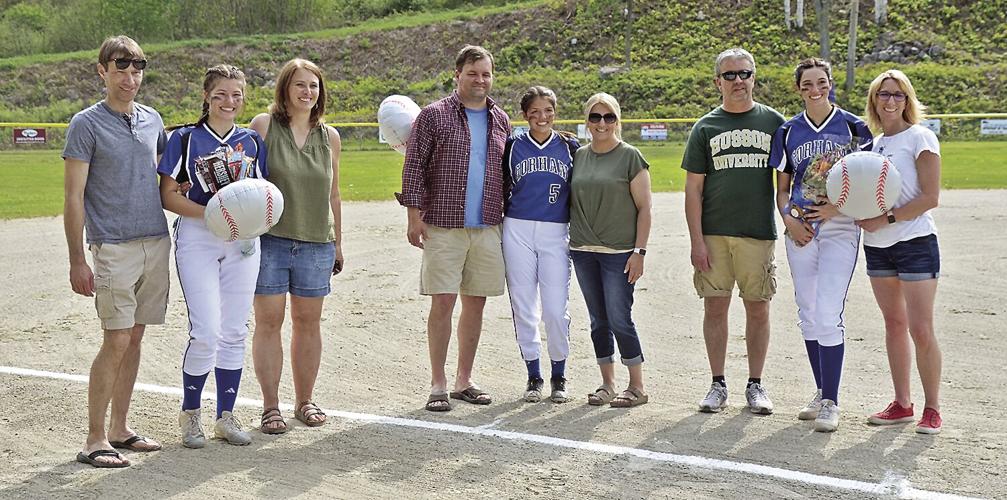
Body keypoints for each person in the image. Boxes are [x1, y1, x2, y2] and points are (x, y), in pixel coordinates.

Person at [63, 35, 169, 468]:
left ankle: (119, 429)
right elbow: (73, 197)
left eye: (137, 69)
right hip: (112, 246)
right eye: (121, 68)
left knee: (136, 336)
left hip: (156, 241)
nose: (130, 77)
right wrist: (76, 259)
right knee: (117, 338)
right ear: (102, 71)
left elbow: (166, 181)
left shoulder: (152, 119)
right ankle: (93, 439)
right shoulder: (85, 124)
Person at [395, 45, 511, 412]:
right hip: (443, 224)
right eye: (473, 73)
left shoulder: (501, 119)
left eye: (486, 74)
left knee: (475, 305)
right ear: (457, 74)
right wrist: (413, 216)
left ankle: (464, 379)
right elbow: (413, 167)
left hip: (487, 224)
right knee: (443, 302)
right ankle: (438, 382)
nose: (480, 80)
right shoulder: (433, 116)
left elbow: (505, 174)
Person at [158, 65, 269, 447]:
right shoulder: (186, 138)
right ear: (207, 96)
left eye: (236, 94)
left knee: (235, 330)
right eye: (221, 93)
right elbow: (168, 195)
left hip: (242, 239)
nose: (229, 101)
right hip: (199, 235)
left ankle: (226, 416)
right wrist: (213, 214)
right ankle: (191, 415)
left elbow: (262, 192)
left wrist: (247, 219)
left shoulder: (252, 140)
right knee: (206, 330)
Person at [769, 58, 873, 432]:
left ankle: (832, 401)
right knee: (808, 312)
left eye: (822, 82)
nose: (816, 89)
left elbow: (868, 180)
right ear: (798, 89)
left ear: (831, 84)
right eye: (807, 84)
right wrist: (788, 219)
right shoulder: (787, 131)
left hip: (840, 226)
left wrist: (837, 208)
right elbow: (782, 189)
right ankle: (821, 389)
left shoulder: (854, 127)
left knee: (829, 312)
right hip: (800, 227)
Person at [682, 48, 785, 415]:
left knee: (758, 308)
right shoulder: (706, 127)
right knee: (715, 307)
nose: (738, 81)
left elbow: (787, 183)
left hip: (757, 232)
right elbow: (693, 189)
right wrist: (696, 240)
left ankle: (755, 384)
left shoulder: (774, 123)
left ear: (754, 77)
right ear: (717, 82)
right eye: (729, 75)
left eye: (744, 73)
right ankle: (718, 383)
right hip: (714, 233)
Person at [250, 58, 343, 434]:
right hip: (270, 241)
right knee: (268, 323)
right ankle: (270, 406)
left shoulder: (330, 136)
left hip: (316, 241)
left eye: (314, 86)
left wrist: (338, 244)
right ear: (285, 89)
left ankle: (304, 400)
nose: (308, 92)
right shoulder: (264, 126)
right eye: (300, 85)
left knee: (308, 323)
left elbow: (333, 194)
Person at [858, 69, 944, 434]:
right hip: (878, 247)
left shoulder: (920, 137)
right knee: (894, 325)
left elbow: (930, 197)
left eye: (898, 95)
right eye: (884, 94)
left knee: (921, 328)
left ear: (907, 101)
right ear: (875, 100)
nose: (890, 101)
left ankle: (932, 408)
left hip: (915, 243)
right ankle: (902, 403)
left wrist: (886, 219)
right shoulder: (872, 145)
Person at [570, 92, 653, 408]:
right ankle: (607, 383)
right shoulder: (579, 156)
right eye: (595, 117)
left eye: (608, 117)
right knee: (597, 320)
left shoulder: (630, 156)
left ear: (617, 120)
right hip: (582, 250)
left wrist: (639, 252)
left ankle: (637, 386)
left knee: (620, 317)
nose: (601, 123)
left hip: (618, 252)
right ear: (587, 121)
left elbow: (645, 208)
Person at [502, 86, 579, 403]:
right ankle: (534, 376)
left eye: (547, 110)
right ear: (525, 115)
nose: (541, 116)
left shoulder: (570, 146)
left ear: (555, 112)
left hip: (556, 231)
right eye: (534, 111)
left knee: (555, 310)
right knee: (524, 306)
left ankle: (559, 375)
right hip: (517, 228)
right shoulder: (511, 146)